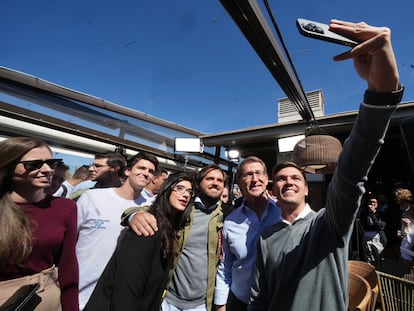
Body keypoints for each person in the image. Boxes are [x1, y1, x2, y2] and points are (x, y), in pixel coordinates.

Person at [249, 19, 404, 310]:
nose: (288, 181)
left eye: (295, 177)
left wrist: (380, 95)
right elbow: (260, 295)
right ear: (274, 190)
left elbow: (351, 172)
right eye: (280, 178)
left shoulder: (328, 224)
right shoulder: (266, 237)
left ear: (307, 189)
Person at [122, 164, 230, 311]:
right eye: (209, 178)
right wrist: (134, 215)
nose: (215, 183)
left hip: (201, 304)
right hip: (168, 300)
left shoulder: (228, 215)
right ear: (198, 185)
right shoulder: (184, 207)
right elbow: (156, 209)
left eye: (219, 180)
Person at [84, 172, 195, 311]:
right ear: (166, 190)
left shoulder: (170, 228)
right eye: (179, 188)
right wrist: (133, 215)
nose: (186, 194)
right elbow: (128, 288)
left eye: (190, 191)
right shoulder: (147, 227)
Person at [0, 137, 78, 310]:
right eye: (33, 164)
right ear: (8, 166)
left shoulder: (65, 207)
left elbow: (68, 265)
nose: (47, 170)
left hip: (45, 297)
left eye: (52, 163)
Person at [76, 151, 158, 310]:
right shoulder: (92, 197)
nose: (146, 173)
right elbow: (71, 237)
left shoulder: (151, 206)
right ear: (127, 171)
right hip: (82, 290)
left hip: (116, 294)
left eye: (151, 171)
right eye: (141, 168)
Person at [214, 156, 281, 311]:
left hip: (277, 301)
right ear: (238, 182)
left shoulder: (283, 213)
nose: (255, 179)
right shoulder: (231, 222)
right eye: (248, 174)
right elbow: (225, 267)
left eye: (259, 173)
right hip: (240, 302)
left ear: (266, 179)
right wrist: (220, 305)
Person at [359, 194, 387, 263]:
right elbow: (364, 226)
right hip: (367, 237)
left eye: (374, 202)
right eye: (370, 202)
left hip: (378, 237)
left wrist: (372, 214)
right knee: (369, 256)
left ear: (377, 204)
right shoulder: (364, 214)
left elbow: (379, 226)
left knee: (378, 256)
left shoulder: (381, 214)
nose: (372, 204)